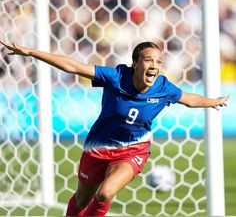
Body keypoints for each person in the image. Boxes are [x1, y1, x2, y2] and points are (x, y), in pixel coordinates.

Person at [0, 40, 229, 216]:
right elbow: (73, 66)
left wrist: (212, 101)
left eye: (159, 62)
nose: (155, 66)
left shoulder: (163, 87)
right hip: (98, 147)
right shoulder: (115, 76)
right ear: (136, 63)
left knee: (106, 193)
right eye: (149, 60)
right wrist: (32, 52)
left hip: (133, 150)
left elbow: (188, 98)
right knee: (81, 200)